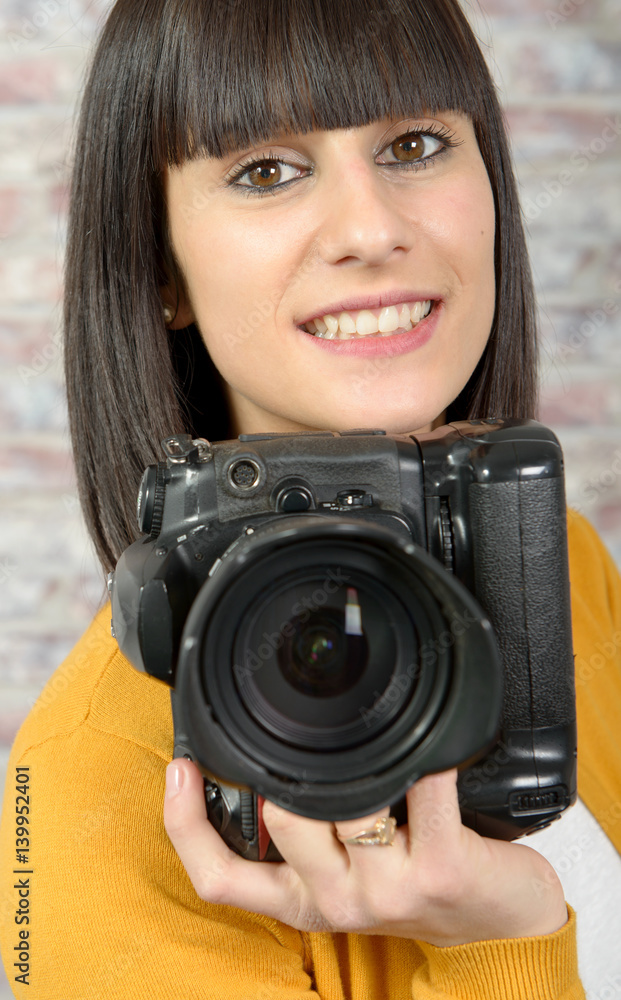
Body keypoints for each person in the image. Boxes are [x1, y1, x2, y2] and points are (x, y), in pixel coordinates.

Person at [1, 0, 620, 996]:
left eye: (414, 145)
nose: (371, 231)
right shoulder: (92, 790)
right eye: (266, 171)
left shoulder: (559, 560)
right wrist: (496, 944)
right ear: (163, 269)